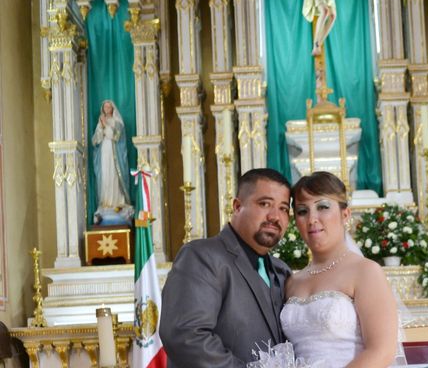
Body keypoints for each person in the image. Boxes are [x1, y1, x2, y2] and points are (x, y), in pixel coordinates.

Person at [160, 168, 292, 368]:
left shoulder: (282, 271)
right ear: (237, 206)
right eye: (265, 204)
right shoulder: (201, 256)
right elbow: (186, 336)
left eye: (283, 208)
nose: (275, 216)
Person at [281, 171, 398, 367]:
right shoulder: (292, 281)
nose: (312, 219)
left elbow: (381, 351)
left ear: (345, 214)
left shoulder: (365, 272)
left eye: (323, 207)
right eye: (302, 211)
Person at [91, 100, 133, 225]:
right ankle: (106, 202)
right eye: (105, 107)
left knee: (114, 175)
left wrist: (106, 126)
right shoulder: (100, 122)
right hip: (104, 152)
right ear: (103, 109)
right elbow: (95, 140)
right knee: (105, 176)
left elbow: (116, 137)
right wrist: (101, 127)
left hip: (115, 155)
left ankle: (117, 202)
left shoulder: (117, 122)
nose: (107, 108)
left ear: (112, 108)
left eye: (109, 106)